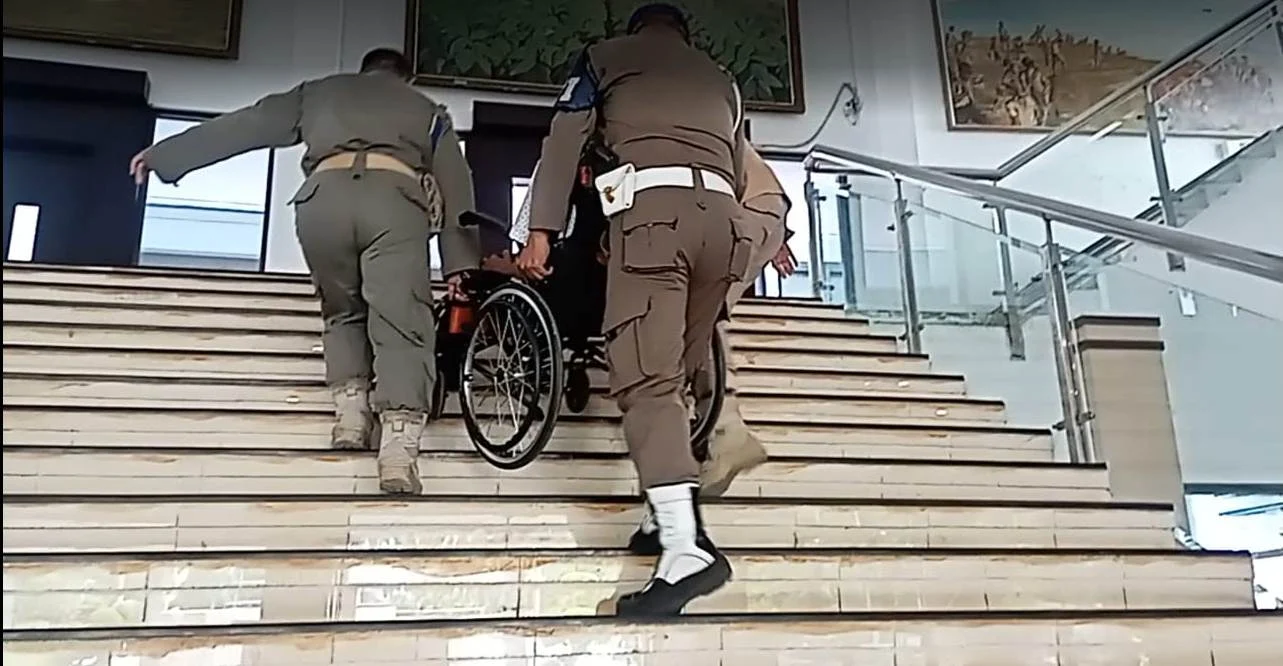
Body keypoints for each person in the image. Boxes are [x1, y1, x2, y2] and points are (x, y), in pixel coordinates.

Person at [128, 48, 480, 495]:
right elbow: (456, 186)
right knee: (401, 319)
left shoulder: (317, 93)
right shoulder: (427, 110)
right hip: (393, 203)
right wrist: (461, 265)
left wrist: (166, 155)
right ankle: (397, 451)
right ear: (406, 79)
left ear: (363, 71)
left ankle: (351, 420)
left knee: (342, 310)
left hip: (321, 203)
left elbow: (250, 123)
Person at [514, 3, 749, 617]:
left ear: (636, 31)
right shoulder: (721, 78)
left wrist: (541, 231)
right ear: (684, 35)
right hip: (727, 227)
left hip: (654, 222)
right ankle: (657, 512)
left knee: (647, 382)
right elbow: (737, 163)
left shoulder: (604, 58)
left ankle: (686, 550)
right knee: (678, 377)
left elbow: (564, 142)